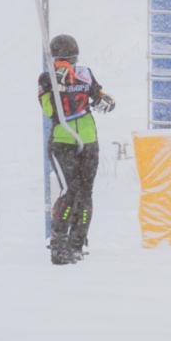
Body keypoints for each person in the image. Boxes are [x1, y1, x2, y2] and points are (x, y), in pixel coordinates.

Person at [39, 34, 115, 265]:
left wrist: (105, 101)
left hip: (88, 140)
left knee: (85, 194)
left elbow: (98, 95)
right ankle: (59, 243)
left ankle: (76, 244)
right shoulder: (47, 78)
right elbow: (49, 109)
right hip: (63, 141)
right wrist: (54, 86)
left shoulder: (84, 74)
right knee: (69, 191)